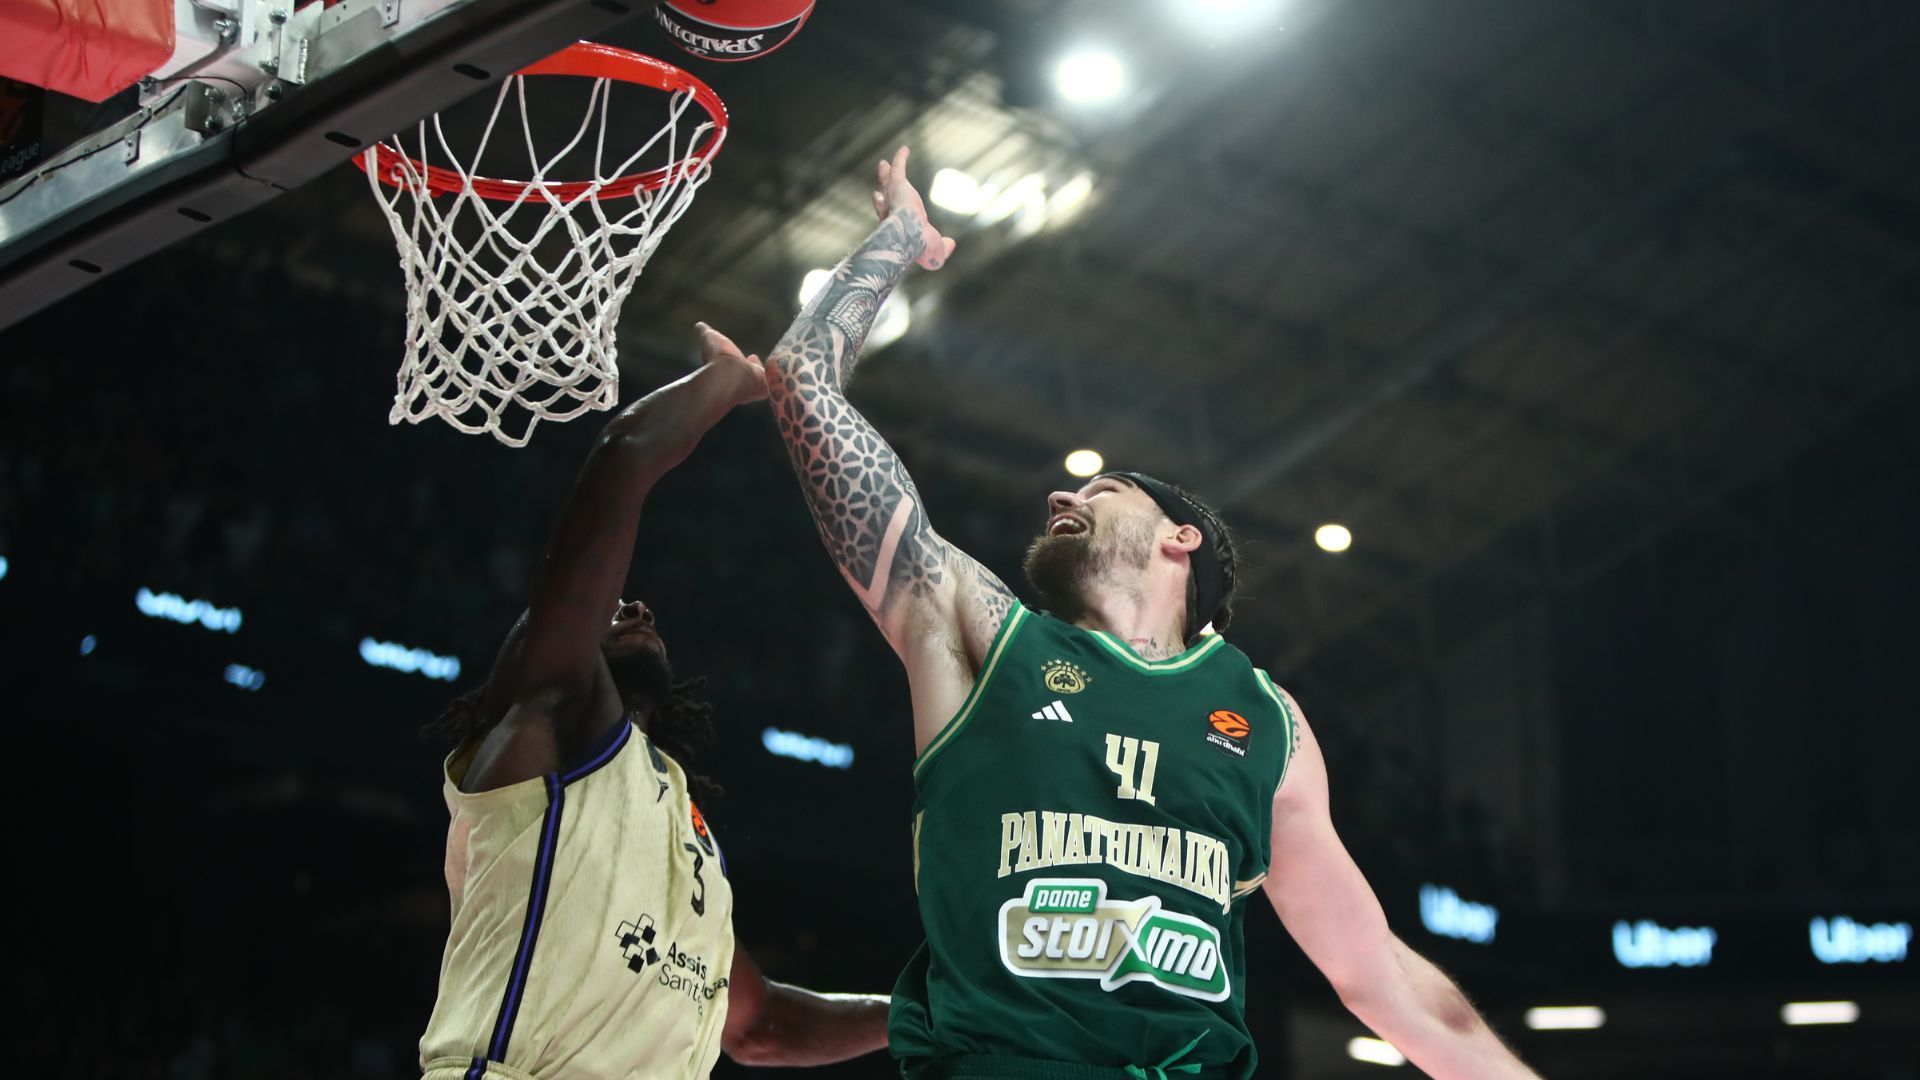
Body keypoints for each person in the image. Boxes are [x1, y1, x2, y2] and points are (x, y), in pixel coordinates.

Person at [759, 147, 1542, 1080]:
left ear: (1182, 539)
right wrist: (897, 238)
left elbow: (1386, 981)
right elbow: (801, 377)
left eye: (1104, 488)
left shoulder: (1269, 723)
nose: (1062, 493)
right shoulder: (979, 631)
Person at [416, 327, 890, 1079]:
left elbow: (761, 1026)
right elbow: (625, 455)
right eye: (604, 608)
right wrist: (724, 382)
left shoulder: (679, 824)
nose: (633, 605)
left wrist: (919, 1012)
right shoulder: (546, 720)